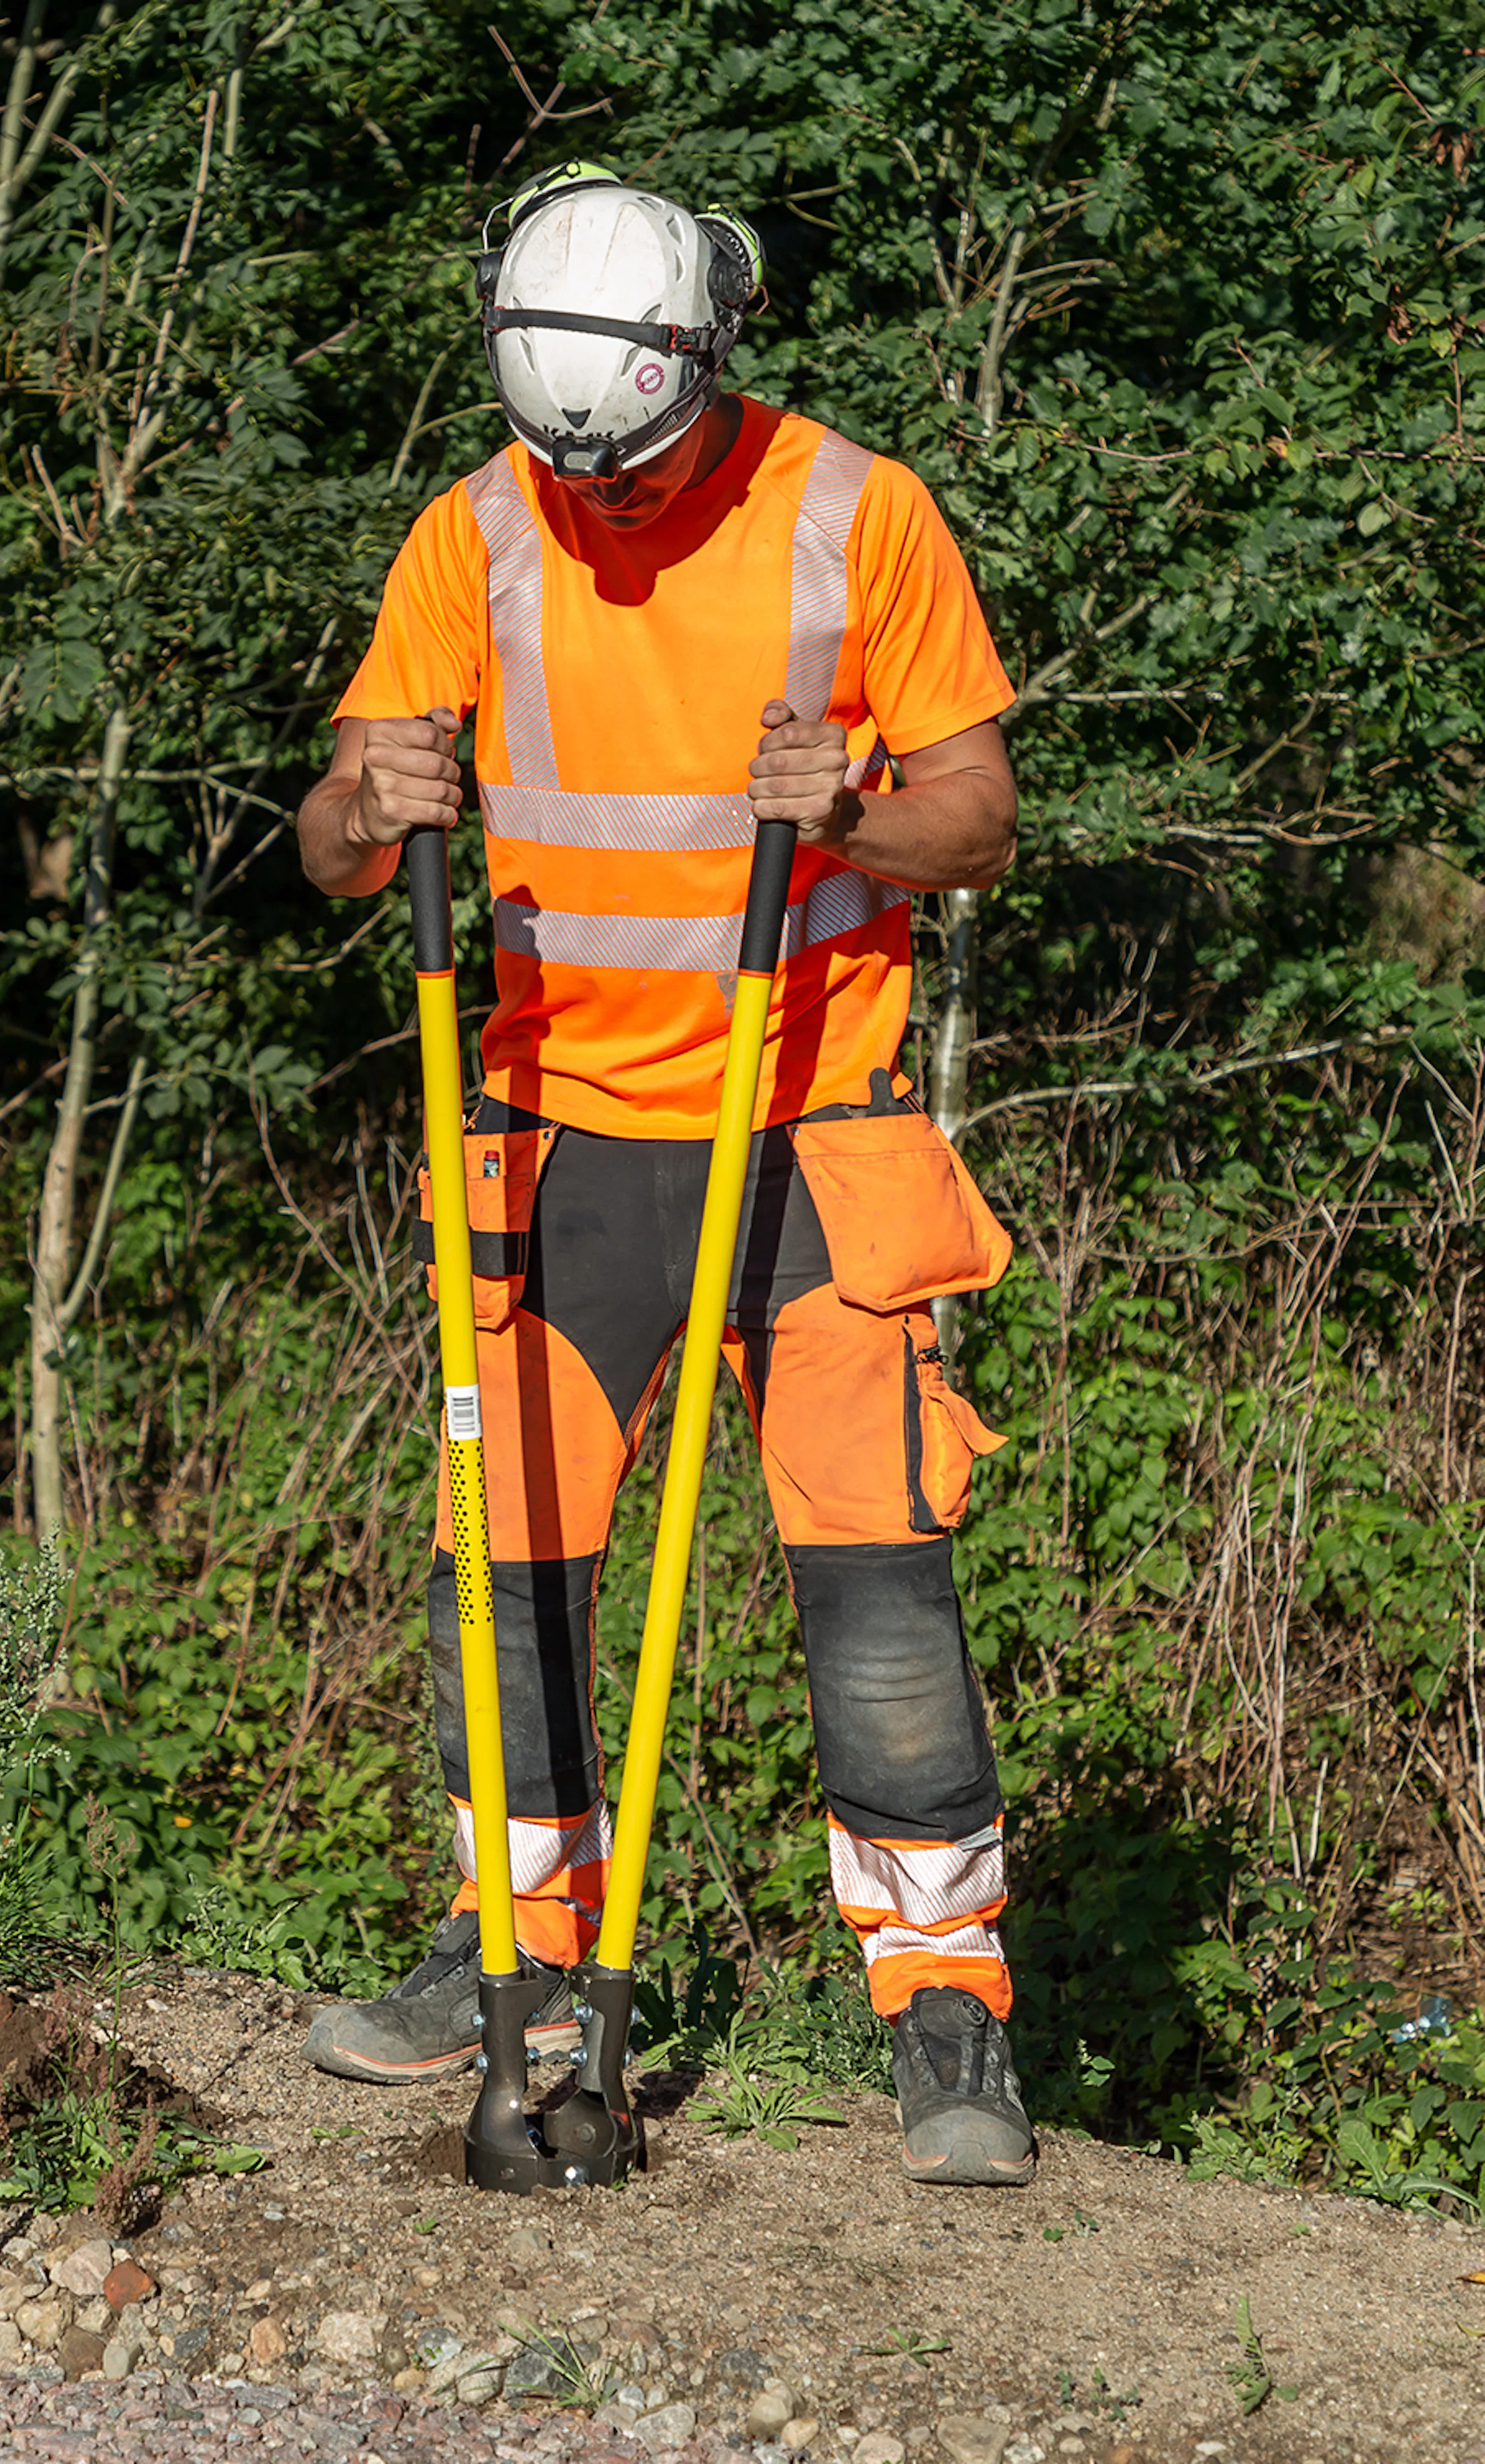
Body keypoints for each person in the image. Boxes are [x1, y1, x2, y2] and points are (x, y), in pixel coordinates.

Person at [293, 166, 1034, 2185]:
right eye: (572, 474)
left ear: (711, 356)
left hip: (814, 1136)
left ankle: (947, 2013)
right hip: (561, 1146)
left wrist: (857, 812)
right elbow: (334, 840)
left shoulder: (856, 514)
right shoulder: (472, 531)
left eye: (635, 468)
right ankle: (515, 1956)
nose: (604, 507)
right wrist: (368, 804)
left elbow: (981, 817)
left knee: (876, 1588)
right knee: (508, 1566)